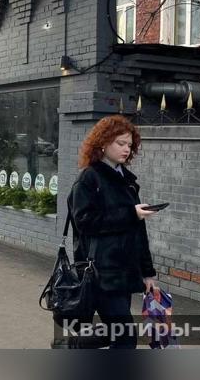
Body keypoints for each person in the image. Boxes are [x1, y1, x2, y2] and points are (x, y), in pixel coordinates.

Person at [68, 115, 159, 348]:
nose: (126, 149)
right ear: (103, 143)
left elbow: (138, 232)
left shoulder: (126, 180)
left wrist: (147, 273)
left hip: (124, 272)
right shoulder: (89, 178)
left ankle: (75, 345)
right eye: (120, 143)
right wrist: (130, 214)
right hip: (101, 273)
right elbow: (84, 222)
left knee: (114, 331)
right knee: (125, 337)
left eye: (130, 144)